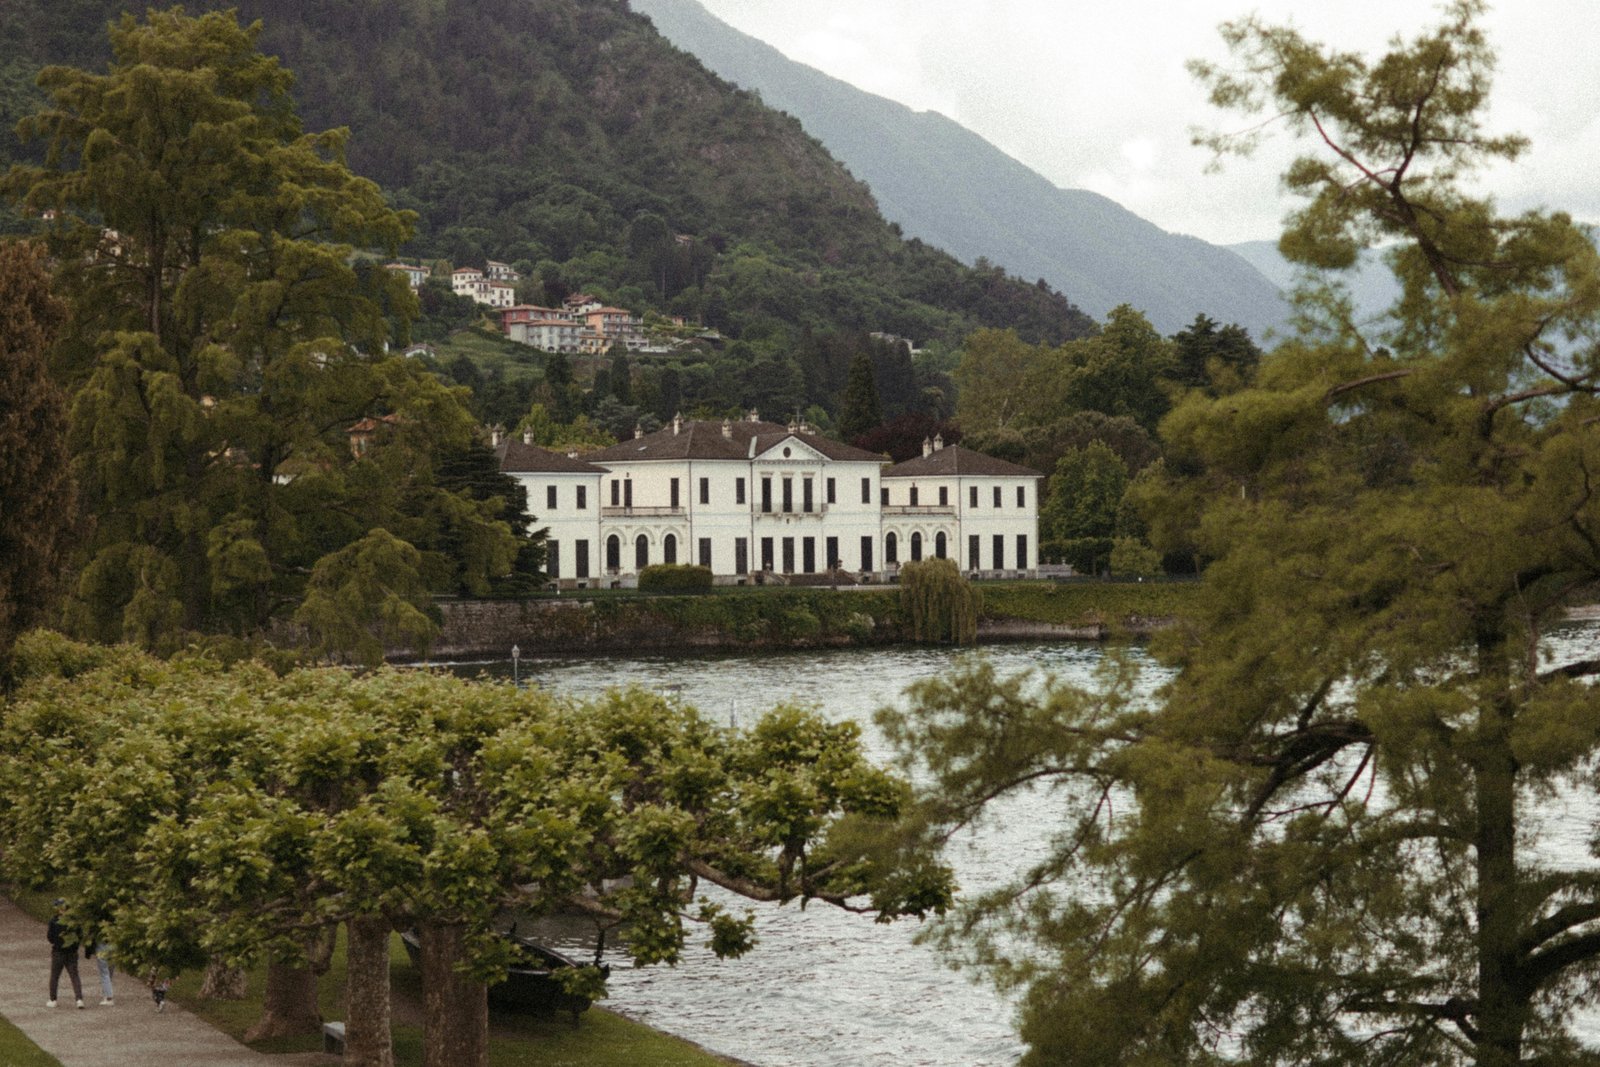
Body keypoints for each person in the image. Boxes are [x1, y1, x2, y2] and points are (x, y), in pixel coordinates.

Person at [45, 899, 84, 1009]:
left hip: (58, 951)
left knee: (54, 976)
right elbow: (79, 935)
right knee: (74, 976)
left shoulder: (54, 921)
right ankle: (79, 999)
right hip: (72, 952)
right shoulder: (74, 921)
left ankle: (53, 999)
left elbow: (50, 937)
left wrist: (57, 941)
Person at [85, 940, 114, 1005]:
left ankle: (108, 997)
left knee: (104, 973)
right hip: (113, 945)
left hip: (101, 946)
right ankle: (107, 993)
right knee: (110, 971)